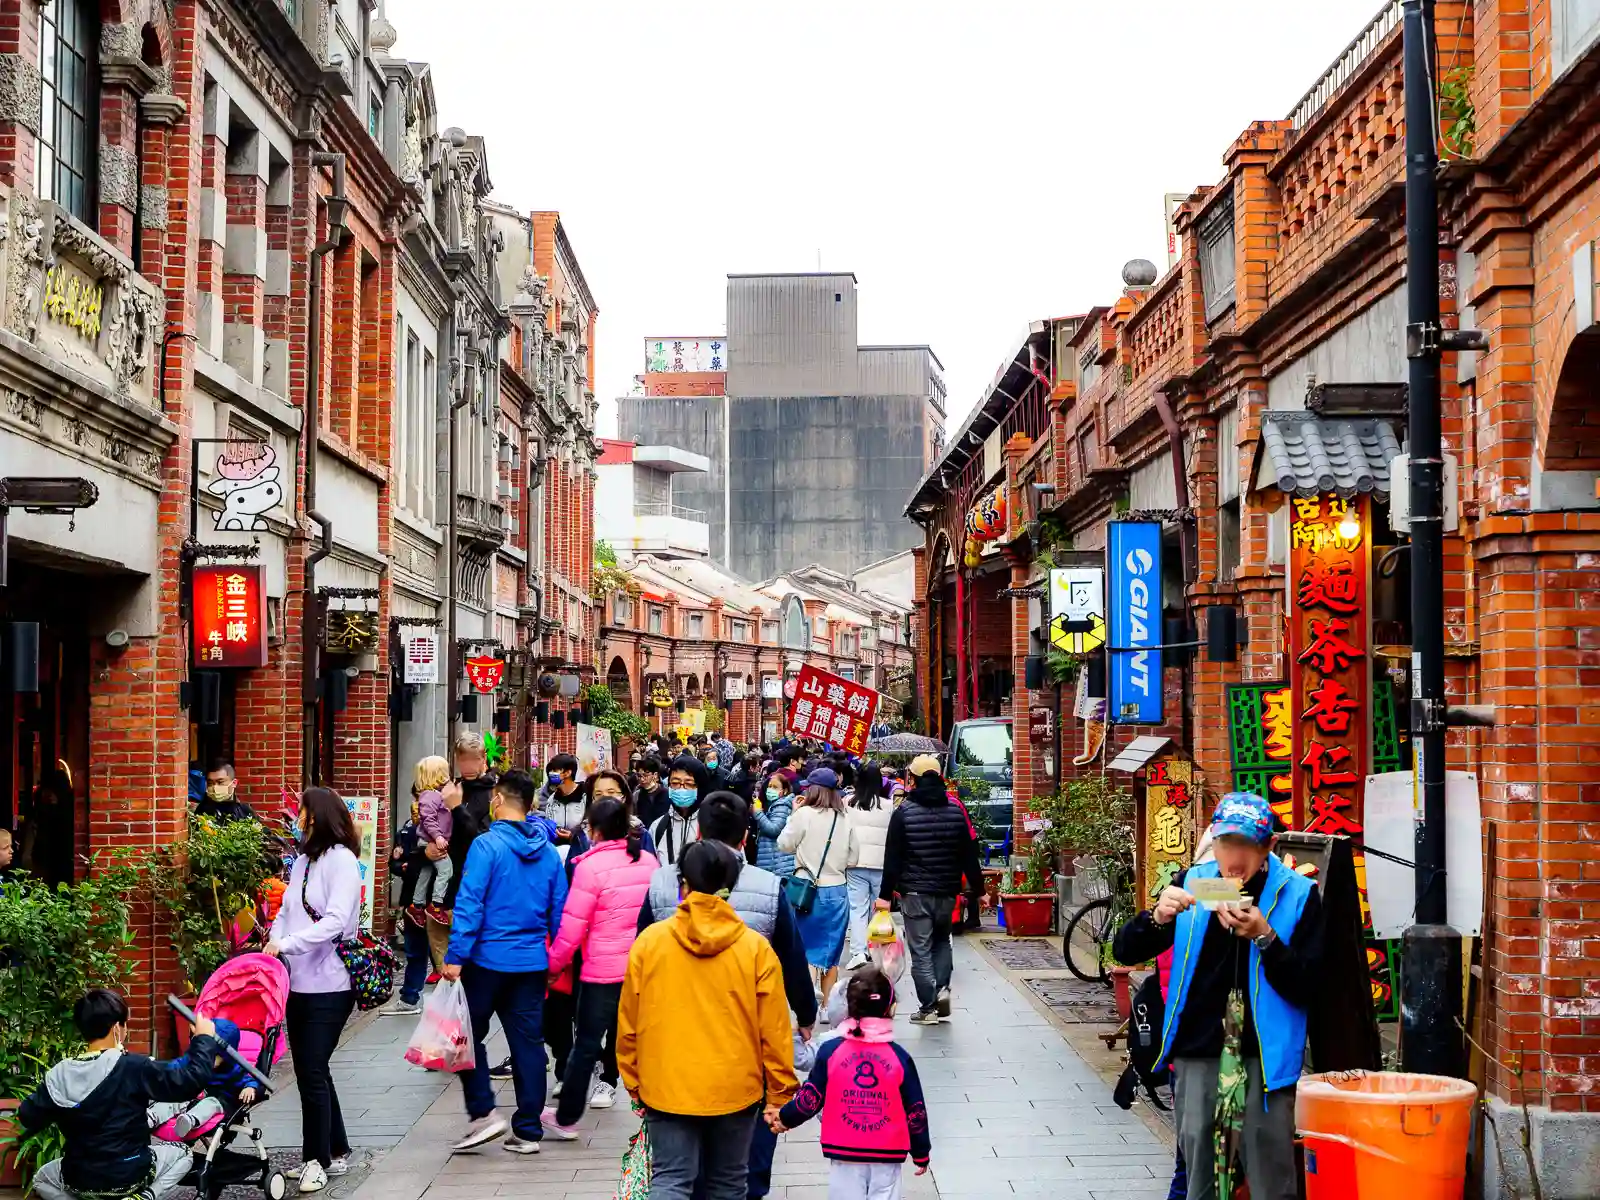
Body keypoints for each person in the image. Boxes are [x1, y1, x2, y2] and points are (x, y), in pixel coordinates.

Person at [1112, 793, 1322, 1200]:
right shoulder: (1196, 882)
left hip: (1265, 1059)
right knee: (1201, 1182)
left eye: (1248, 845)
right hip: (1200, 1049)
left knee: (1271, 1182)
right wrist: (1156, 917)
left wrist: (1265, 936)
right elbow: (1124, 951)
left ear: (1269, 846)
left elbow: (1309, 985)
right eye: (1227, 843)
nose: (1235, 856)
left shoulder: (1296, 893)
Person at [640, 791, 817, 1200]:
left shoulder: (659, 887)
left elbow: (637, 984)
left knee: (672, 1177)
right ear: (744, 838)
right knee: (734, 1178)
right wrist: (804, 1020)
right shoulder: (769, 891)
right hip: (742, 1057)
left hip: (671, 1053)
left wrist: (633, 1072)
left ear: (697, 831)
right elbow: (790, 967)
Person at [444, 768, 568, 1154]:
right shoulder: (547, 852)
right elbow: (559, 911)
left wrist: (455, 955)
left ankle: (484, 1112)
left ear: (497, 800)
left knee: (463, 1036)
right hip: (531, 962)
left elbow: (470, 902)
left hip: (486, 961)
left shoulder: (486, 846)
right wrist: (555, 963)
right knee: (529, 1045)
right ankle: (528, 1131)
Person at [20, 989, 224, 1200]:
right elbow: (190, 1082)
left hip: (79, 1177)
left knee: (41, 1179)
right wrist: (204, 1039)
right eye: (125, 1024)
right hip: (130, 1175)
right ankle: (143, 1197)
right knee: (183, 1153)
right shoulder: (134, 1067)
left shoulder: (58, 1074)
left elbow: (27, 1116)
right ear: (117, 1028)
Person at [264, 786, 364, 1192]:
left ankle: (315, 1160)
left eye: (302, 812)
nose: (297, 818)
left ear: (319, 816)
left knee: (310, 1069)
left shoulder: (341, 861)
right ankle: (336, 1150)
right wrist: (274, 941)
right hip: (298, 983)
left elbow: (337, 920)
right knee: (314, 1069)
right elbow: (286, 910)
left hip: (331, 982)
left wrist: (286, 944)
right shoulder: (304, 860)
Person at [542, 796, 660, 1134]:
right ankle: (660, 1112)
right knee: (644, 1044)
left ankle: (566, 1118)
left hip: (601, 974)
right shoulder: (648, 862)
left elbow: (573, 926)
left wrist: (554, 966)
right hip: (643, 970)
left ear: (593, 830)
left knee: (587, 1045)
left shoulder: (588, 867)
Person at [769, 966, 931, 1200]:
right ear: (892, 1009)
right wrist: (920, 1152)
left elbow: (810, 1099)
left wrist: (785, 1118)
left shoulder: (831, 1052)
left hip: (844, 1150)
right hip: (887, 1153)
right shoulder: (900, 1058)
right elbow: (915, 1110)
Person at [875, 756, 980, 1026]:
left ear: (915, 779)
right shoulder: (956, 810)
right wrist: (978, 889)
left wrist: (885, 895)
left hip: (915, 893)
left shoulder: (904, 812)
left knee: (920, 949)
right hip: (947, 891)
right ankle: (943, 988)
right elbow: (970, 854)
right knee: (942, 941)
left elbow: (893, 859)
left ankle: (928, 1007)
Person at [777, 768, 852, 1005]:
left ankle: (808, 1001)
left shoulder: (804, 814)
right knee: (831, 952)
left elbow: (784, 844)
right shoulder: (844, 817)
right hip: (838, 890)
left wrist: (793, 814)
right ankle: (828, 1006)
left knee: (807, 947)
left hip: (807, 891)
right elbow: (854, 857)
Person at [147, 1016, 260, 1138]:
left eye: (214, 1055)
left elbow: (248, 1078)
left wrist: (250, 1087)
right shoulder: (198, 1061)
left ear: (227, 1055)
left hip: (218, 1098)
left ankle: (189, 1121)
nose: (208, 1059)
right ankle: (152, 1116)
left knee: (210, 1105)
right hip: (195, 1093)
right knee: (176, 1098)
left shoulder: (234, 1069)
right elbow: (179, 1065)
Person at [844, 765, 892, 970]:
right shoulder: (888, 806)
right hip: (881, 864)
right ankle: (877, 950)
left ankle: (858, 951)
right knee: (878, 909)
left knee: (857, 908)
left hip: (855, 863)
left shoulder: (847, 803)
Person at [414, 756, 454, 918]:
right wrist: (438, 837)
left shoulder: (433, 795)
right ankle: (436, 904)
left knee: (426, 872)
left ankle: (417, 904)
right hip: (431, 840)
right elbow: (428, 818)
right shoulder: (431, 796)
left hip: (430, 839)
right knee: (446, 870)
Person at [651, 754, 706, 866]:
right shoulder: (658, 827)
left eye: (689, 784)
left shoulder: (714, 825)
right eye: (675, 783)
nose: (681, 788)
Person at [751, 768, 795, 878]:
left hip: (777, 864)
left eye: (775, 787)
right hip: (773, 861)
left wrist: (758, 813)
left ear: (784, 791)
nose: (770, 790)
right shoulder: (774, 805)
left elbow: (773, 830)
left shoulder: (782, 806)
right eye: (769, 786)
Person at [542, 754, 587, 838]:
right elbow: (549, 824)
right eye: (550, 770)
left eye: (555, 770)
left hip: (582, 848)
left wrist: (574, 836)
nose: (551, 774)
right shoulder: (552, 800)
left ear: (568, 773)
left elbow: (591, 826)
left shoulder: (586, 796)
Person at [634, 757, 670, 829]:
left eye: (645, 775)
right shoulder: (637, 795)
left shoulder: (667, 794)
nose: (642, 779)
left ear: (655, 775)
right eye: (639, 776)